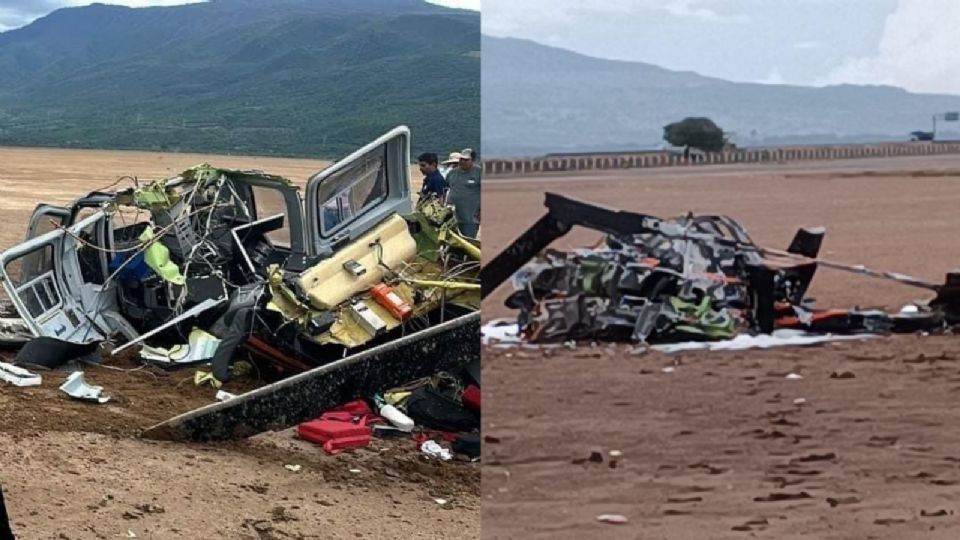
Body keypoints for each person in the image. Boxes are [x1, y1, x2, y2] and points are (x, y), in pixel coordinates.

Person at [444, 148, 481, 238]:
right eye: (461, 159)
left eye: (466, 160)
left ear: (473, 160)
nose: (463, 162)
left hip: (470, 219)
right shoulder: (452, 173)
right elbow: (445, 189)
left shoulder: (479, 172)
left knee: (467, 243)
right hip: (452, 218)